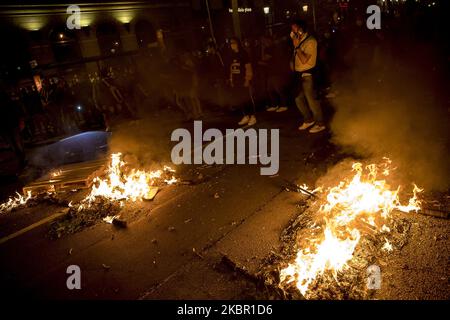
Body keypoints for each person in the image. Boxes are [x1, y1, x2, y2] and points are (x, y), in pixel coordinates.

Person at [291, 19, 326, 133]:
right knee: (298, 99)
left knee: (312, 101)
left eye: (295, 29)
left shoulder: (310, 41)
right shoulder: (299, 41)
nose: (293, 31)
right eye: (292, 29)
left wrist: (297, 47)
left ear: (301, 29)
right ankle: (308, 119)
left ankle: (320, 123)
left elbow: (304, 59)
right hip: (299, 75)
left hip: (308, 75)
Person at [226, 37, 256, 126]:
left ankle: (253, 116)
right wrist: (231, 80)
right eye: (231, 43)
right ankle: (246, 115)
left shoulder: (243, 54)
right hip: (236, 81)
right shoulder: (232, 55)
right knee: (240, 99)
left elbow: (248, 67)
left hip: (243, 79)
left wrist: (247, 79)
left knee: (247, 98)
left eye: (234, 43)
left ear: (238, 43)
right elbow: (232, 68)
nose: (232, 45)